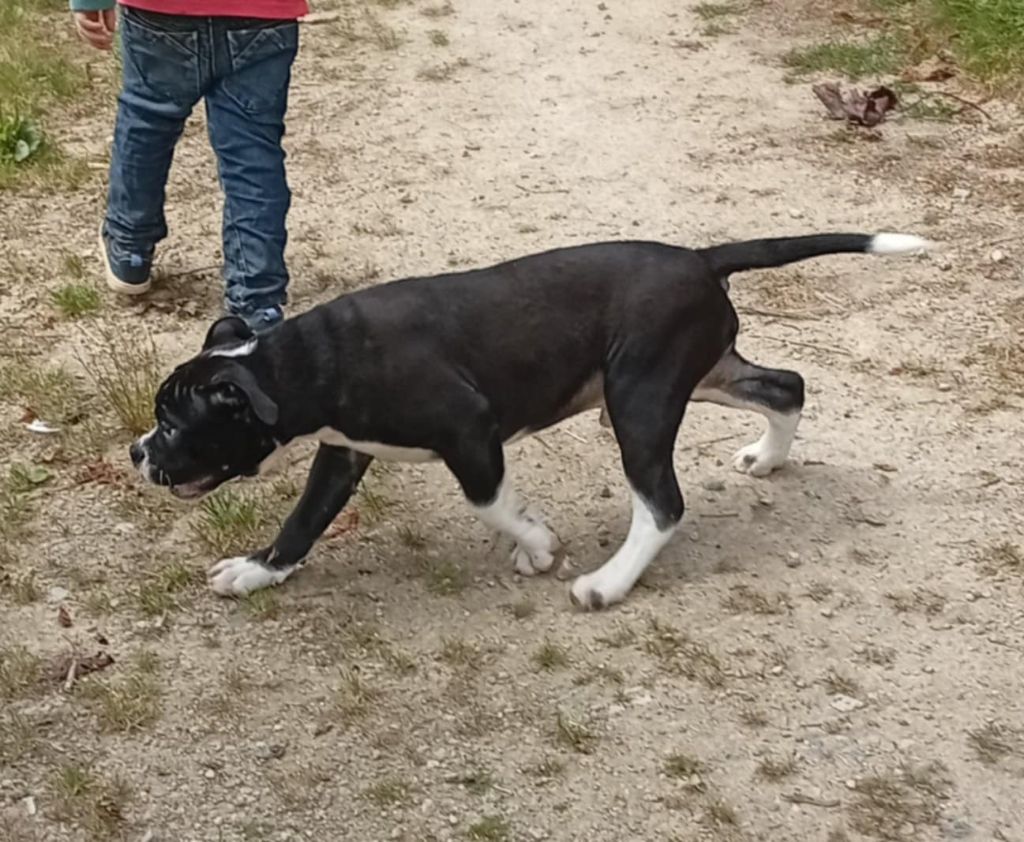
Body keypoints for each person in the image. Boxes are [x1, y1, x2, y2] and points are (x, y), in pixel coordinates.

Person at [71, 0, 308, 332]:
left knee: (147, 122)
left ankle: (130, 250)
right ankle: (257, 299)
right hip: (263, 14)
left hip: (160, 10)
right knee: (252, 153)